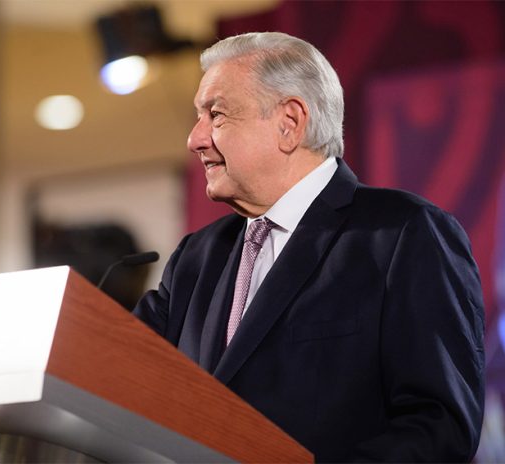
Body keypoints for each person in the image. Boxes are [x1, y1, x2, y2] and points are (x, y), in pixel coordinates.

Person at [133, 32, 485, 462]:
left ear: (290, 123)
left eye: (216, 115)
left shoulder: (403, 234)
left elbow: (439, 427)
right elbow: (121, 367)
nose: (195, 138)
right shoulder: (197, 257)